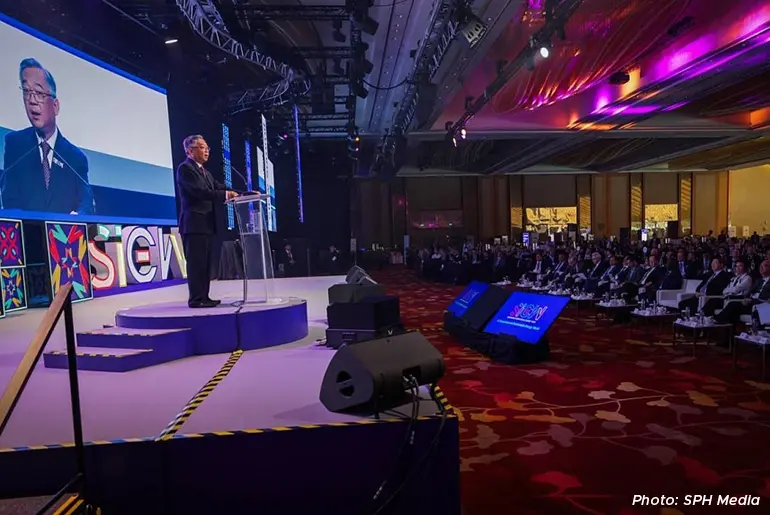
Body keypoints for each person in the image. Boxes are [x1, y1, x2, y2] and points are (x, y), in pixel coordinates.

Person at [1, 58, 93, 214]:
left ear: (55, 106)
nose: (31, 101)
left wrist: (76, 221)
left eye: (38, 93)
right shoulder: (15, 144)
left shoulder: (76, 158)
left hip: (63, 237)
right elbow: (9, 200)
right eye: (26, 91)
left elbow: (87, 202)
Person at [176, 135, 237, 308]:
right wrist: (226, 196)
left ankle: (205, 296)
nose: (206, 151)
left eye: (207, 147)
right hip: (194, 225)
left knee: (205, 264)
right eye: (202, 147)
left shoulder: (205, 172)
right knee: (196, 264)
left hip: (207, 224)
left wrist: (244, 193)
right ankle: (196, 299)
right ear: (190, 150)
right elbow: (200, 191)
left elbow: (219, 187)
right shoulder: (185, 169)